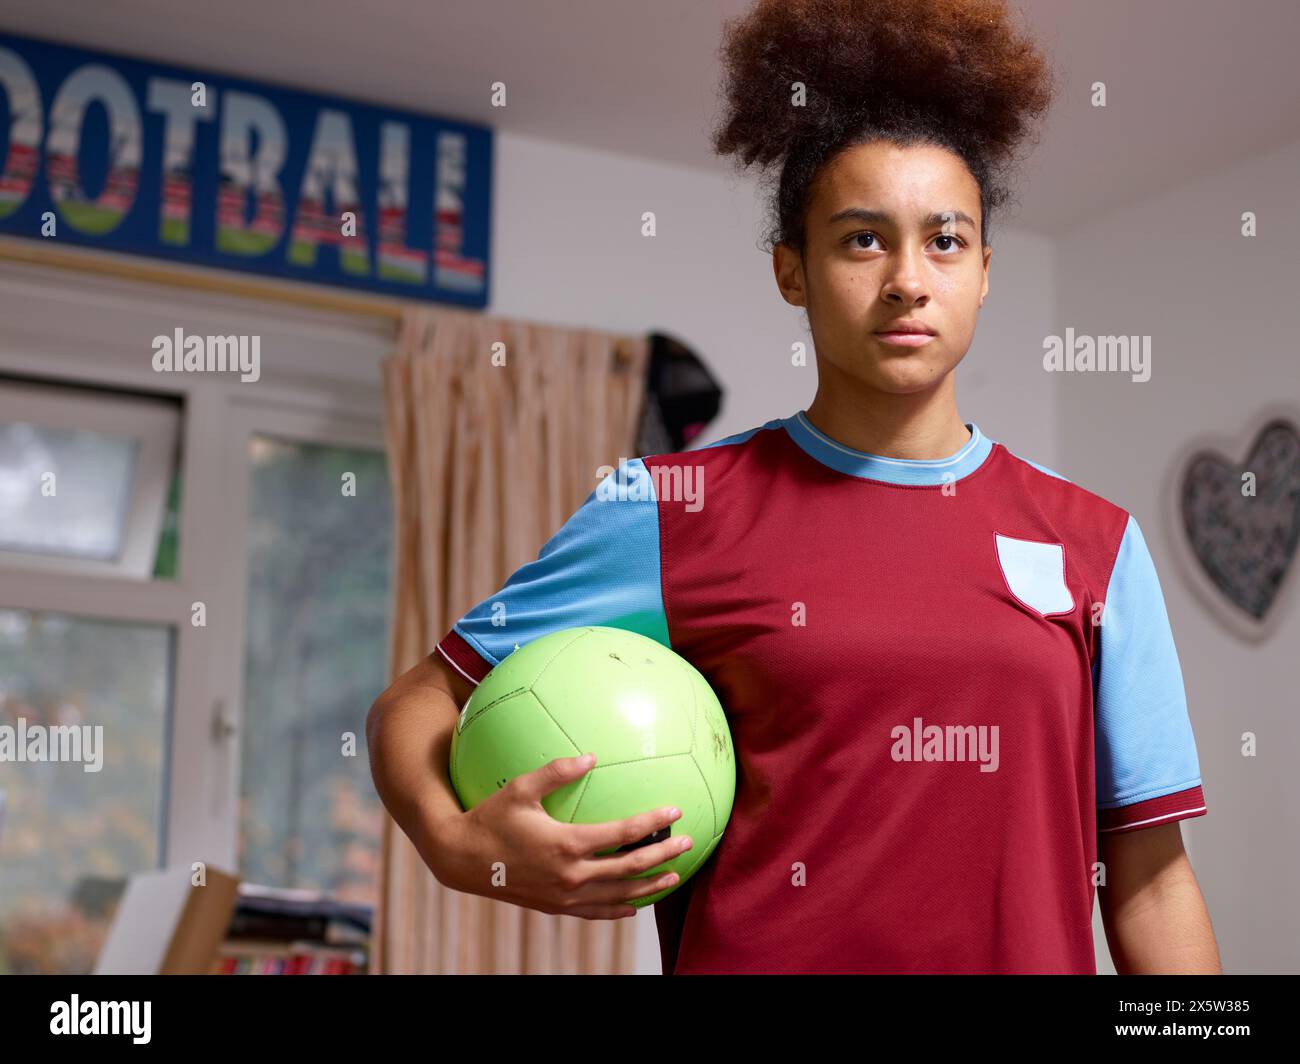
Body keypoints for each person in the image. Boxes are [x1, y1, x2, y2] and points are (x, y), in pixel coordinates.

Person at [367, 0, 1220, 974]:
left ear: (984, 270)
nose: (907, 278)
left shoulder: (1094, 546)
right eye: (862, 240)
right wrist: (458, 843)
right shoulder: (667, 509)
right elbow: (419, 702)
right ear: (792, 270)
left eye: (944, 241)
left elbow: (1149, 875)